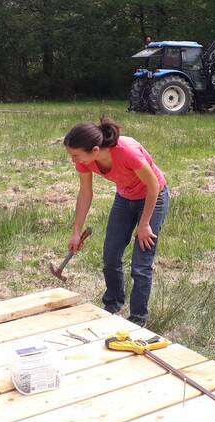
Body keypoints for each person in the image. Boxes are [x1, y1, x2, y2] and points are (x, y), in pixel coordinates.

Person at [63, 117, 169, 327]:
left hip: (152, 198)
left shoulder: (127, 152)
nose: (73, 161)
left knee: (141, 264)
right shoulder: (86, 161)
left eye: (75, 156)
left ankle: (138, 320)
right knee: (110, 257)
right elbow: (85, 193)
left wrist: (144, 224)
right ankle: (112, 306)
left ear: (94, 150)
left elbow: (153, 185)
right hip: (124, 198)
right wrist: (76, 231)